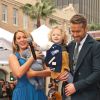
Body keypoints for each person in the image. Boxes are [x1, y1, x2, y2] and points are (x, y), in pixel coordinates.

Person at [65, 14, 100, 100]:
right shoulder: (70, 45)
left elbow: (97, 73)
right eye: (72, 31)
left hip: (88, 96)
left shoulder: (96, 46)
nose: (75, 34)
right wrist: (62, 74)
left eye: (78, 31)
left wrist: (76, 86)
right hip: (70, 95)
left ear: (86, 29)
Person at [9, 30, 51, 100]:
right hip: (22, 93)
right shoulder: (13, 57)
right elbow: (19, 73)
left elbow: (50, 72)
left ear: (29, 39)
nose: (22, 40)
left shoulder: (38, 52)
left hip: (38, 91)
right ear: (15, 41)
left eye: (25, 37)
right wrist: (33, 57)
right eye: (19, 38)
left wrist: (34, 73)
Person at [45, 26, 72, 100]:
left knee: (68, 89)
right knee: (73, 83)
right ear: (51, 37)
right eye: (53, 35)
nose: (56, 36)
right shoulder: (51, 49)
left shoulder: (66, 47)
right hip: (58, 73)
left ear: (63, 36)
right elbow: (48, 63)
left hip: (65, 71)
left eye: (58, 35)